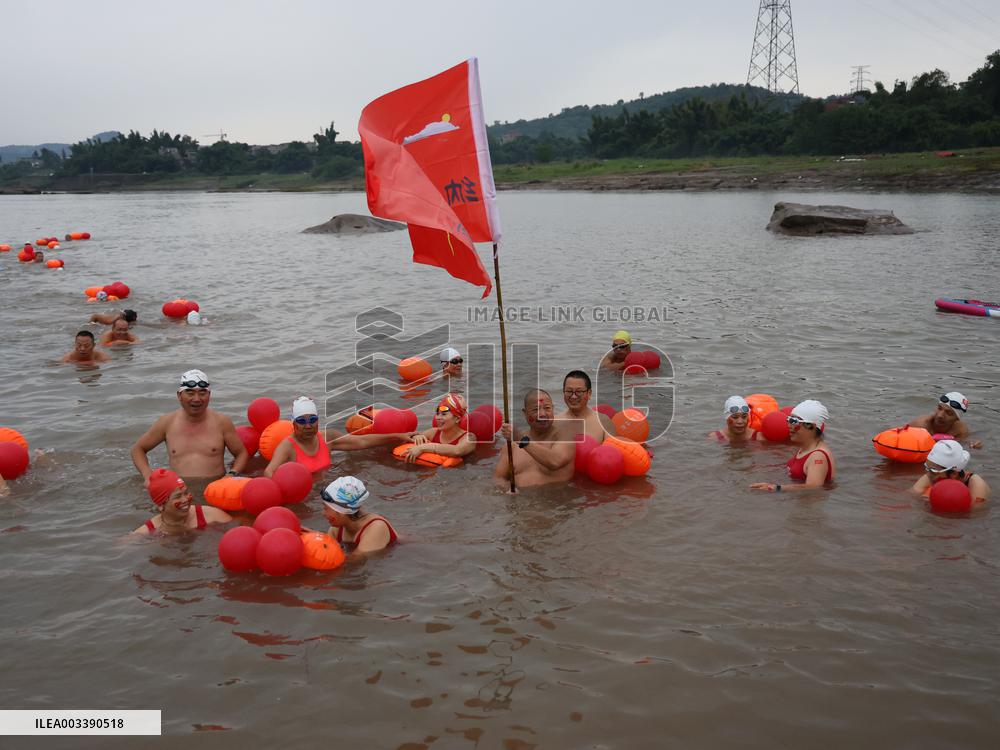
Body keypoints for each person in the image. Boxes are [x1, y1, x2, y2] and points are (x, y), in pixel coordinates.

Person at [130, 370, 249, 484]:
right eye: (190, 393)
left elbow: (241, 453)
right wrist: (148, 475)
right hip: (180, 491)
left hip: (214, 487)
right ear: (179, 395)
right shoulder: (167, 423)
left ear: (209, 395)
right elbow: (138, 449)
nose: (196, 399)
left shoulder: (222, 422)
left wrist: (232, 474)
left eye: (202, 393)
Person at [496, 389, 575, 488]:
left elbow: (555, 462)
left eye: (547, 408)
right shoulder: (512, 446)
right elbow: (498, 479)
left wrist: (521, 439)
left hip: (557, 502)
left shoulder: (566, 437)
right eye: (535, 409)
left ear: (553, 409)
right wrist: (506, 489)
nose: (542, 414)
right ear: (525, 413)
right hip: (522, 501)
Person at [751, 400, 835, 493]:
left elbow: (814, 488)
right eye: (789, 420)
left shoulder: (818, 456)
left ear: (811, 426)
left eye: (794, 421)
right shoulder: (806, 447)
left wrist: (776, 488)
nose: (789, 426)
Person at [132, 468, 232, 535]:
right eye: (178, 496)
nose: (185, 499)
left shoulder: (213, 516)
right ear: (161, 505)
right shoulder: (147, 532)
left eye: (186, 493)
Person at [321, 476, 397, 555]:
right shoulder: (335, 530)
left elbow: (354, 562)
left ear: (342, 511)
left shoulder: (377, 527)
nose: (323, 513)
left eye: (326, 508)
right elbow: (325, 552)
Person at [910, 439, 991, 506]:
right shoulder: (933, 475)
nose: (928, 474)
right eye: (927, 468)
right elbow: (910, 496)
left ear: (954, 474)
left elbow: (974, 514)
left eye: (932, 471)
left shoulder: (977, 485)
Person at [400, 393, 476, 463]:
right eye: (437, 414)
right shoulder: (433, 432)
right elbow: (409, 438)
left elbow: (457, 451)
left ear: (457, 419)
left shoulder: (469, 438)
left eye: (443, 414)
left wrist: (422, 448)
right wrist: (417, 436)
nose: (438, 418)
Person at [264, 396, 331, 476]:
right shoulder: (287, 446)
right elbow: (268, 472)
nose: (308, 426)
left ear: (317, 421)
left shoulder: (326, 438)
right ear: (293, 423)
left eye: (312, 420)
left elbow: (350, 442)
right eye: (301, 421)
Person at [909, 392, 981, 448]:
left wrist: (972, 444)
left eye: (948, 413)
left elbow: (963, 444)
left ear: (957, 419)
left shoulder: (960, 430)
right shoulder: (921, 425)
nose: (940, 415)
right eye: (939, 408)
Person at [557, 370, 613, 442]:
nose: (573, 396)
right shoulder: (554, 422)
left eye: (579, 391)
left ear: (589, 393)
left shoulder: (603, 422)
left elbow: (612, 451)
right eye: (569, 391)